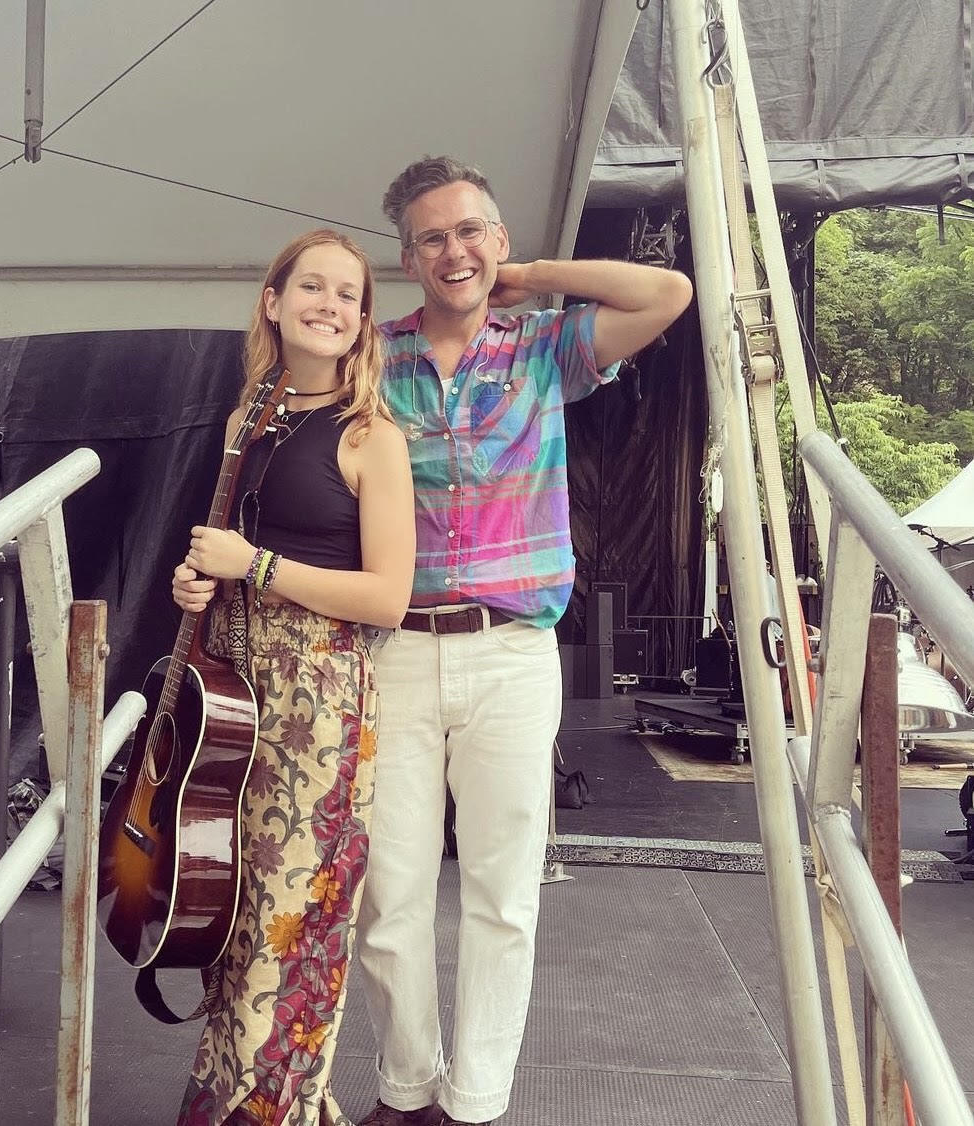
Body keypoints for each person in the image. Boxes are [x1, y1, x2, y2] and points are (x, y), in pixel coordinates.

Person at [354, 157, 694, 1126]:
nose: (453, 249)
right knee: (391, 895)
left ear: (497, 240)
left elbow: (668, 293)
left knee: (504, 892)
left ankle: (477, 1102)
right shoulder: (373, 361)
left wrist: (538, 276)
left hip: (511, 653)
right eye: (432, 236)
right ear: (408, 254)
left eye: (471, 230)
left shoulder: (544, 347)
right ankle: (406, 1090)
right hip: (399, 651)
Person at [171, 228, 416, 1126]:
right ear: (272, 303)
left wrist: (257, 566)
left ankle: (270, 1107)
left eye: (348, 294)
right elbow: (222, 557)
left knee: (296, 908)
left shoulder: (371, 437)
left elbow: (388, 597)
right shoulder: (247, 421)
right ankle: (241, 1095)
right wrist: (197, 578)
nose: (329, 304)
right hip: (234, 694)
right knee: (235, 903)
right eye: (310, 287)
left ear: (362, 321)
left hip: (319, 703)